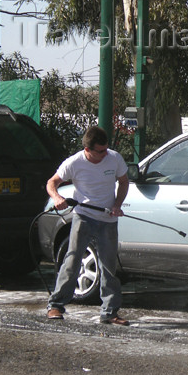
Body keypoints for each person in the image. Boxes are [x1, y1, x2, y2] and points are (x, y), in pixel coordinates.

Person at [45, 125, 131, 325]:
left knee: (108, 265)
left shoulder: (114, 158)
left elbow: (124, 182)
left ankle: (109, 312)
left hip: (108, 218)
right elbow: (52, 182)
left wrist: (117, 205)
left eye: (106, 149)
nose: (105, 154)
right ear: (87, 149)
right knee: (73, 260)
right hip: (83, 216)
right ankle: (56, 305)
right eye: (100, 151)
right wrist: (57, 198)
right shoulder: (74, 163)